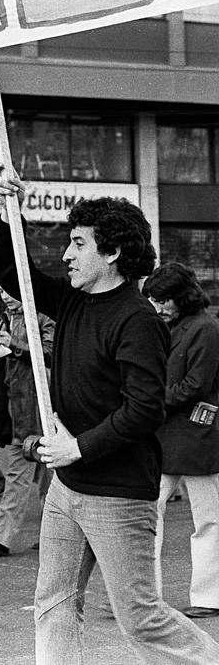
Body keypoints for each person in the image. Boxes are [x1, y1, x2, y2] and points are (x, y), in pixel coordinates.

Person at [0, 168, 219, 663]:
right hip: (67, 489)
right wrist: (8, 209)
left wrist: (78, 446)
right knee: (52, 606)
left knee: (140, 618)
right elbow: (15, 277)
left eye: (78, 243)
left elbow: (144, 410)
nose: (66, 254)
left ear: (113, 252)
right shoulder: (72, 299)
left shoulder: (138, 320)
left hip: (118, 493)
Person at [142, 262, 219, 620]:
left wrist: (150, 400)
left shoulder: (205, 328)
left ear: (182, 298)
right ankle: (149, 595)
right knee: (152, 515)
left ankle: (207, 596)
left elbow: (196, 384)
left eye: (163, 300)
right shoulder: (181, 325)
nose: (158, 308)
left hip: (194, 433)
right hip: (181, 432)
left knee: (206, 518)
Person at [0, 286, 54, 558]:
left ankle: (0, 537)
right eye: (1, 290)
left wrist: (12, 344)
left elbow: (50, 354)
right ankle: (58, 531)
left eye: (10, 290)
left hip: (36, 409)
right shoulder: (9, 318)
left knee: (25, 474)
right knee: (48, 476)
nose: (5, 295)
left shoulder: (43, 315)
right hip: (16, 408)